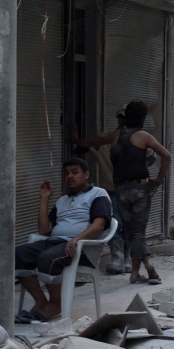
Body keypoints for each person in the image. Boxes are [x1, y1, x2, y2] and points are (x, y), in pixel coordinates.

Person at [76, 100, 171, 284]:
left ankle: (145, 265)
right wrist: (159, 179)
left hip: (120, 190)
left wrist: (75, 139)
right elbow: (166, 155)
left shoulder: (115, 136)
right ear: (142, 118)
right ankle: (137, 271)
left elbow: (91, 142)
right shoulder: (144, 136)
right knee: (138, 231)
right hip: (140, 189)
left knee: (131, 230)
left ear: (126, 116)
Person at [14, 158, 112, 322]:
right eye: (66, 173)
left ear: (86, 175)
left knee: (48, 258)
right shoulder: (62, 201)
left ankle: (55, 304)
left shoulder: (98, 194)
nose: (70, 176)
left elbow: (99, 225)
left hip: (82, 248)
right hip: (56, 242)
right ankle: (41, 301)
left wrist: (76, 239)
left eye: (75, 172)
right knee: (18, 255)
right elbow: (44, 230)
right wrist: (44, 198)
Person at [70, 109, 127, 274]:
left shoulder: (135, 138)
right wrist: (76, 139)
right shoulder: (107, 139)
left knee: (127, 225)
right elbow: (83, 147)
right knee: (117, 223)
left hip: (129, 189)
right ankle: (119, 258)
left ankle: (124, 259)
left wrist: (76, 140)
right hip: (115, 188)